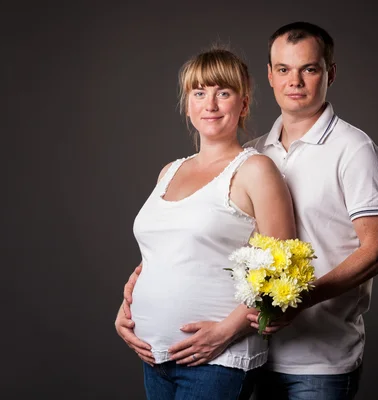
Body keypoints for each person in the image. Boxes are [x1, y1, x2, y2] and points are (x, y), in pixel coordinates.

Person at [119, 22, 378, 399]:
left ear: (329, 73)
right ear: (270, 75)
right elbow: (198, 248)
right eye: (283, 69)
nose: (294, 81)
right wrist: (136, 293)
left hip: (317, 357)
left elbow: (377, 250)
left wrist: (294, 301)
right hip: (263, 351)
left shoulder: (353, 149)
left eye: (309, 69)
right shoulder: (258, 150)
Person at [114, 47, 297, 400]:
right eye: (199, 93)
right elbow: (167, 253)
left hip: (217, 361)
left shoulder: (256, 169)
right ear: (187, 104)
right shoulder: (169, 171)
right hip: (155, 356)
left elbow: (283, 270)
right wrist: (126, 308)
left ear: (243, 105)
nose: (210, 105)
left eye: (223, 93)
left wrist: (225, 333)